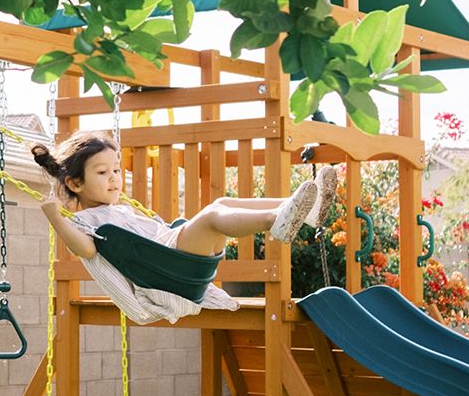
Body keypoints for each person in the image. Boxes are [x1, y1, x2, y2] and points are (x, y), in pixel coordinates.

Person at [33, 131, 339, 325]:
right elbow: (85, 250)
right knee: (210, 216)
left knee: (221, 202)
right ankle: (277, 220)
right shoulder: (88, 221)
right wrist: (56, 217)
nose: (114, 178)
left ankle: (305, 211)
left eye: (117, 170)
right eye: (102, 172)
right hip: (168, 268)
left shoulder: (117, 210)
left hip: (177, 261)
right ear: (75, 183)